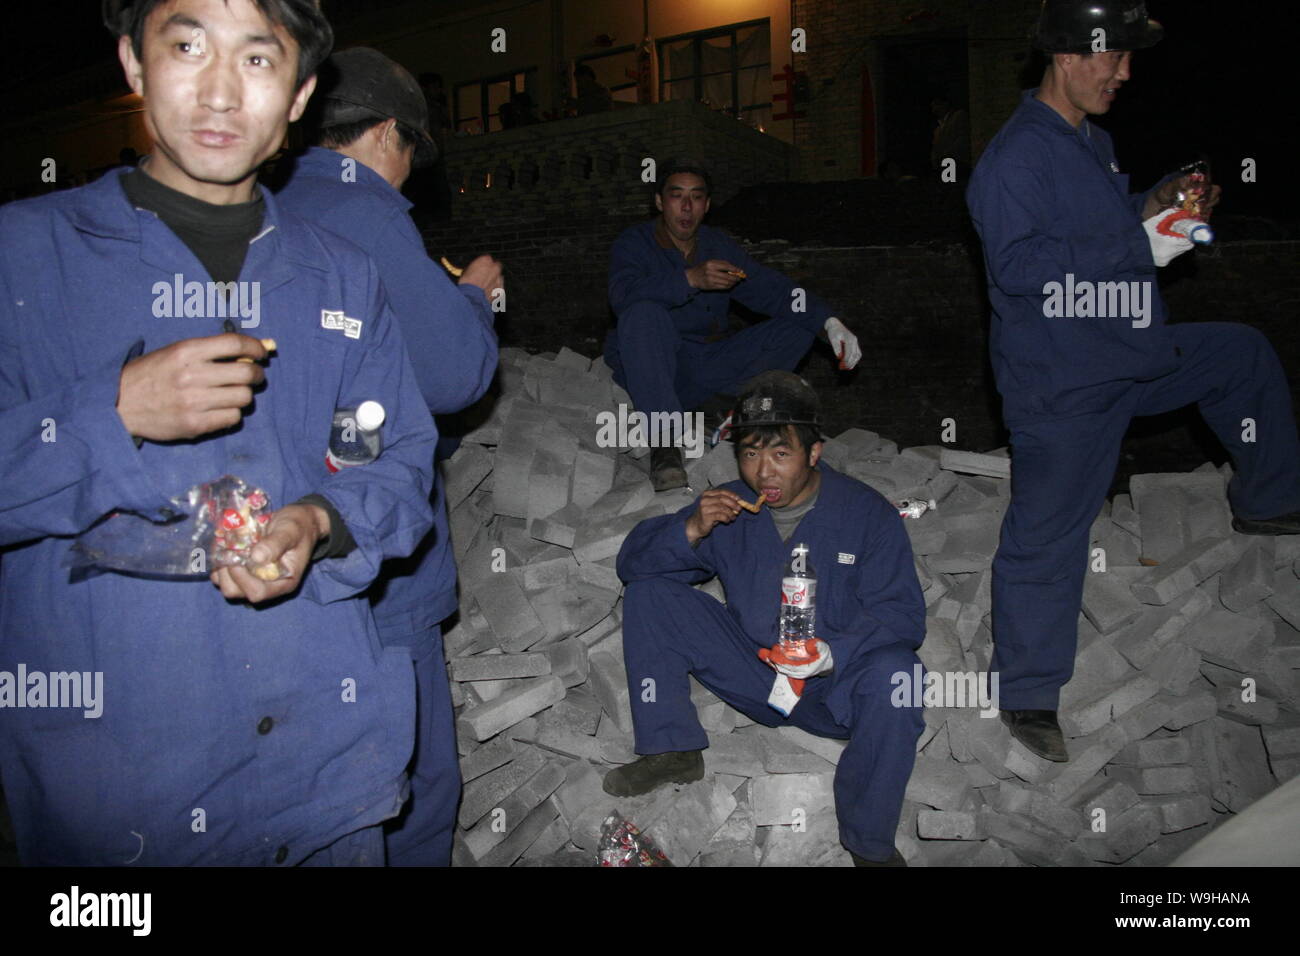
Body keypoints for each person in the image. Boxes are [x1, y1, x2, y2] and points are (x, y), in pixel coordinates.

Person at [0, 0, 439, 865]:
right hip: (123, 801)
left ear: (301, 94)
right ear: (133, 63)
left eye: (257, 59)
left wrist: (318, 524)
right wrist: (111, 414)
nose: (219, 93)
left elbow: (395, 465)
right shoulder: (24, 258)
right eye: (187, 45)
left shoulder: (342, 278)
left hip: (328, 781)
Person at [966, 0, 1300, 762]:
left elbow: (1098, 222)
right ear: (1066, 56)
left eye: (1128, 58)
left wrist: (1155, 205)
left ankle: (1271, 501)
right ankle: (1026, 693)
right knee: (1047, 535)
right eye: (1113, 56)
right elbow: (1020, 269)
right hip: (1064, 380)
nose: (1125, 73)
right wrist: (1134, 238)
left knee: (1239, 353)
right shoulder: (1014, 158)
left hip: (1126, 348)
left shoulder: (1092, 139)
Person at [277, 46, 501, 866]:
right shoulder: (369, 214)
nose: (407, 172)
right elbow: (454, 376)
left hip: (278, 542)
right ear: (381, 134)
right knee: (413, 775)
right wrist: (474, 297)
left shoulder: (258, 201)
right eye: (408, 149)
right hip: (367, 542)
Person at [607, 371, 925, 866]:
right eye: (751, 453)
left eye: (781, 454)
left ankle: (869, 843)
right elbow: (633, 565)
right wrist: (690, 527)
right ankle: (674, 747)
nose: (764, 473)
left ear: (814, 453)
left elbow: (903, 615)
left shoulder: (865, 514)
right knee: (651, 594)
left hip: (837, 689)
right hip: (758, 674)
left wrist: (829, 655)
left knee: (899, 673)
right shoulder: (730, 507)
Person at [604, 158, 863, 491]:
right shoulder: (635, 242)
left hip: (707, 365)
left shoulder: (717, 245)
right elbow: (622, 296)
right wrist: (690, 279)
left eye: (696, 197)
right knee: (642, 313)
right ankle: (666, 446)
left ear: (707, 205)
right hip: (656, 366)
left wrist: (828, 322)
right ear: (658, 201)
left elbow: (769, 288)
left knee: (797, 327)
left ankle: (726, 411)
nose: (686, 207)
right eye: (676, 195)